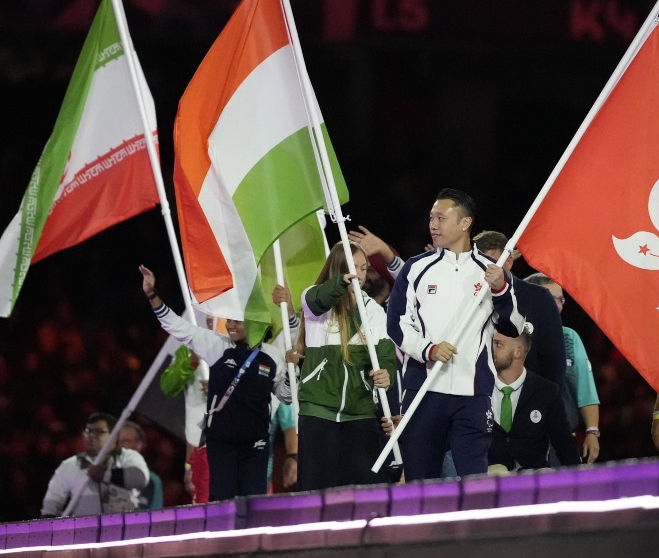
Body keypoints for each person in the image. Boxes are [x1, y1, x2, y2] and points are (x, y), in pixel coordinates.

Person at [386, 188, 524, 480]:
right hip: (424, 390)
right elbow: (396, 324)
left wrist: (500, 289)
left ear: (465, 223)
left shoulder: (492, 272)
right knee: (420, 480)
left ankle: (474, 527)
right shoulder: (416, 269)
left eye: (441, 218)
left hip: (472, 395)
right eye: (431, 218)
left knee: (474, 479)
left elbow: (514, 327)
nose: (433, 225)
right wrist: (429, 350)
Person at [140, 265, 292, 502]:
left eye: (236, 321)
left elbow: (286, 396)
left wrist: (294, 373)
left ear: (255, 321)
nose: (230, 325)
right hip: (222, 445)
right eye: (229, 320)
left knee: (254, 504)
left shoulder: (272, 356)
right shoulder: (217, 346)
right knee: (222, 503)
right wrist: (152, 294)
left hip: (256, 445)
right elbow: (176, 327)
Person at [285, 241, 395, 490]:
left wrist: (387, 375)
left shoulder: (373, 311)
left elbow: (386, 355)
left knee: (361, 491)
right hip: (319, 411)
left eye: (364, 268)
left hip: (360, 412)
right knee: (316, 492)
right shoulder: (314, 301)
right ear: (339, 270)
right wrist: (341, 283)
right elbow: (318, 299)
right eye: (353, 267)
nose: (360, 274)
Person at [523, 272, 601, 464]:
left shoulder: (569, 337)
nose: (559, 305)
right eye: (552, 299)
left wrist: (592, 431)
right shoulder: (510, 337)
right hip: (519, 438)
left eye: (561, 299)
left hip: (561, 439)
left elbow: (585, 389)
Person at [473, 232, 565, 391]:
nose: (484, 271)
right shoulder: (469, 299)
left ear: (508, 262)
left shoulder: (539, 298)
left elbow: (554, 358)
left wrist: (549, 402)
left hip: (527, 398)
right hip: (478, 394)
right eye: (477, 263)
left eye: (489, 263)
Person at [488, 327, 581, 472]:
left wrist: (579, 480)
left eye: (498, 344)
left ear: (517, 352)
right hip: (491, 476)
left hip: (534, 476)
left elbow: (563, 441)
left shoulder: (546, 392)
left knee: (546, 475)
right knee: (495, 472)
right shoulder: (478, 388)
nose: (491, 349)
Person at [41, 412, 149, 517]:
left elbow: (140, 478)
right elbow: (51, 504)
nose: (91, 436)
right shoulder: (71, 465)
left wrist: (106, 474)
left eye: (98, 431)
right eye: (88, 431)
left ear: (114, 436)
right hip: (86, 531)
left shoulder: (128, 456)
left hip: (123, 530)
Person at [159, 342, 210, 503]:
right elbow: (168, 386)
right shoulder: (188, 348)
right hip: (199, 447)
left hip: (234, 446)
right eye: (207, 315)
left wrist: (222, 387)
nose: (210, 318)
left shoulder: (237, 345)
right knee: (204, 507)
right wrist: (192, 361)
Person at [117, 420, 163, 510]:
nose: (119, 446)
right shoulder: (102, 475)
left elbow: (156, 517)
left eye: (125, 441)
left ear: (139, 445)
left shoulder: (152, 481)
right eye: (117, 442)